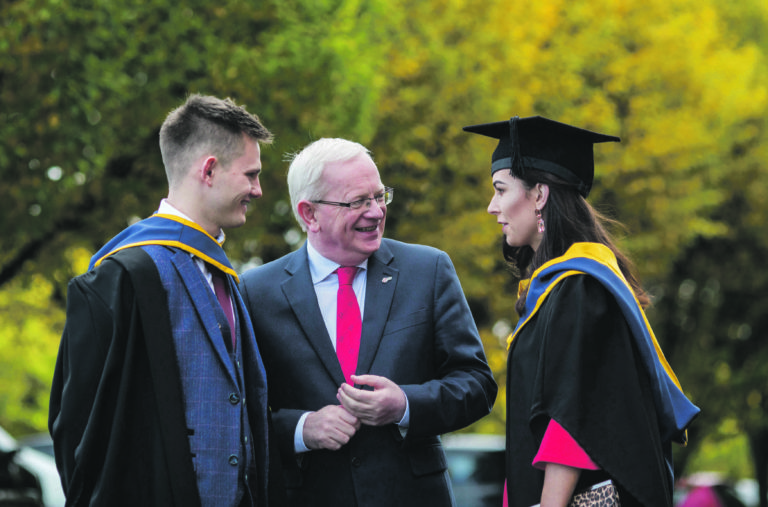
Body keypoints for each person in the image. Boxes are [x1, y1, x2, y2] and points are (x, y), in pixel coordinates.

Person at [238, 137, 498, 507]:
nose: (376, 212)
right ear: (309, 213)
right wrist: (303, 429)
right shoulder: (255, 291)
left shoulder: (428, 270)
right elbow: (240, 413)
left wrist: (405, 404)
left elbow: (476, 385)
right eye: (358, 201)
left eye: (379, 196)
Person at [49, 94, 275, 507]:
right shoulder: (123, 277)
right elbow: (81, 430)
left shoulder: (226, 277)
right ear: (209, 170)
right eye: (251, 175)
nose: (258, 190)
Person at [463, 116, 700, 507]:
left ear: (539, 195)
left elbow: (570, 417)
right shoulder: (563, 287)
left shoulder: (580, 288)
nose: (492, 207)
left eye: (501, 190)